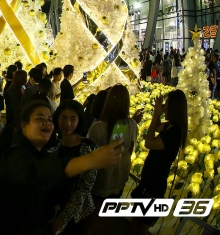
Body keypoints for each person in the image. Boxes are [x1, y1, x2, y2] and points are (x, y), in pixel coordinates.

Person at [0, 100, 124, 234]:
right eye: (39, 118)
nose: (47, 123)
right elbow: (40, 171)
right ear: (24, 125)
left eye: (50, 119)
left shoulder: (44, 152)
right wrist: (91, 160)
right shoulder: (16, 154)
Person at [129, 90, 188, 234]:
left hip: (153, 187)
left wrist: (156, 113)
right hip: (148, 182)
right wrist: (158, 113)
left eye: (167, 105)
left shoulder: (175, 132)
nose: (164, 108)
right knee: (135, 225)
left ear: (173, 108)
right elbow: (156, 127)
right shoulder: (169, 126)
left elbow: (149, 142)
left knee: (139, 228)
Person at [87, 84, 138, 232]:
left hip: (99, 181)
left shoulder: (97, 128)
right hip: (118, 180)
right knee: (108, 216)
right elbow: (128, 150)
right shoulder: (132, 125)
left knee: (92, 218)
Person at [47, 101, 98, 235]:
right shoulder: (53, 148)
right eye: (63, 118)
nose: (67, 123)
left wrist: (63, 218)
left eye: (73, 119)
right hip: (53, 208)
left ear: (79, 120)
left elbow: (84, 189)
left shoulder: (88, 148)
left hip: (77, 214)